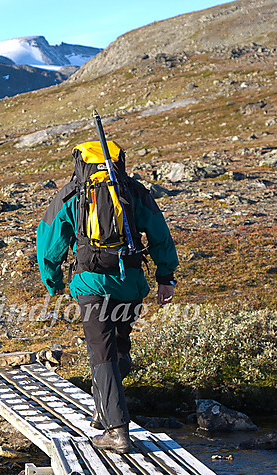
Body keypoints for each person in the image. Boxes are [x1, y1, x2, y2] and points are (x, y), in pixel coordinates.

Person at [36, 141, 178, 453]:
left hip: (91, 283)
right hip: (129, 283)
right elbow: (159, 233)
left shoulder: (72, 193)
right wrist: (165, 276)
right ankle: (102, 407)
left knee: (102, 355)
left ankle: (117, 431)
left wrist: (53, 280)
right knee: (118, 350)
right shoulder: (133, 190)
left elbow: (48, 237)